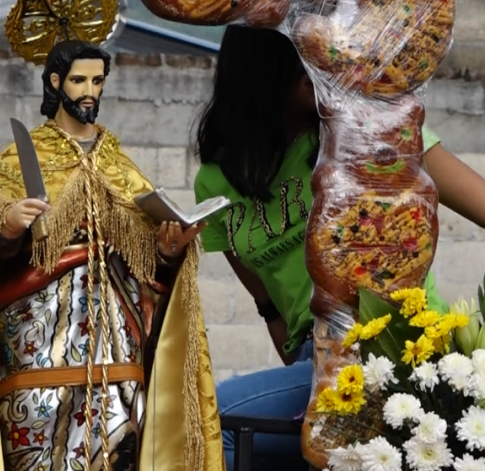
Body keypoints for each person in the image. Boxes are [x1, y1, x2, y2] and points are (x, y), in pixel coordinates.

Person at [0, 40, 224, 471]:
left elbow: (148, 277)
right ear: (55, 82)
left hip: (117, 371)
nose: (90, 91)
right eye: (80, 80)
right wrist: (5, 224)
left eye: (97, 81)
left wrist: (164, 252)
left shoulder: (121, 168)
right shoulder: (19, 159)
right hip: (37, 360)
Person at [192, 25, 485, 471]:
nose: (326, 69)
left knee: (213, 423)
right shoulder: (215, 180)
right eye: (306, 62)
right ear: (264, 71)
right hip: (318, 365)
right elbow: (267, 303)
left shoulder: (371, 131)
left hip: (398, 350)